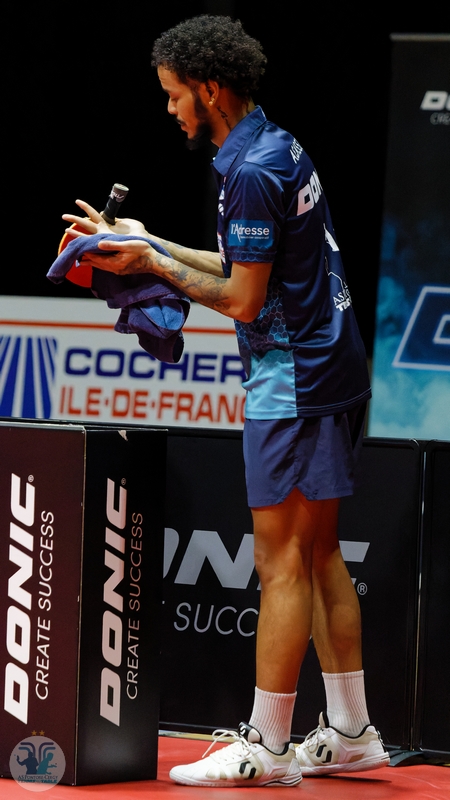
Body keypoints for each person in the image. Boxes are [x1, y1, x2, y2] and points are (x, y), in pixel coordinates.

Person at [62, 14, 389, 789]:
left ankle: (266, 748)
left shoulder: (250, 171)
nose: (170, 108)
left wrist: (150, 265)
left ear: (209, 88)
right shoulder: (273, 144)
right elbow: (246, 264)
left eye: (175, 94)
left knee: (281, 562)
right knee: (318, 553)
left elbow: (242, 299)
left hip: (296, 379)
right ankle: (351, 733)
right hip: (330, 363)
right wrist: (152, 243)